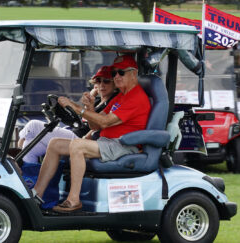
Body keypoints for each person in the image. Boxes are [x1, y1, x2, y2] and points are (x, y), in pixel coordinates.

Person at [32, 55, 151, 212]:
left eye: (121, 72)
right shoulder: (121, 97)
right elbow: (96, 126)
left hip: (123, 145)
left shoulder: (136, 97)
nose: (116, 76)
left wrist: (76, 108)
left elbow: (105, 122)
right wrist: (89, 108)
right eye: (114, 73)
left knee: (77, 146)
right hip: (108, 143)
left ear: (134, 74)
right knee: (55, 144)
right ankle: (36, 195)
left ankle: (74, 200)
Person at [17, 65, 118, 164]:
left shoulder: (112, 102)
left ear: (114, 83)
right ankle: (30, 177)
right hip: (73, 131)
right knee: (29, 145)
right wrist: (94, 92)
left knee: (33, 125)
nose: (102, 85)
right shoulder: (96, 100)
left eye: (106, 81)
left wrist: (84, 139)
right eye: (99, 81)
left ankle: (18, 156)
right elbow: (83, 107)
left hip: (82, 139)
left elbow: (98, 125)